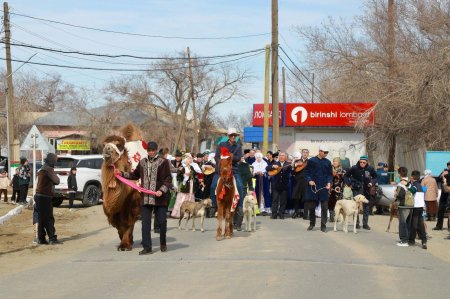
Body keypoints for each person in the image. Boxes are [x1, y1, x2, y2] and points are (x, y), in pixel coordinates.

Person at [118, 141, 172, 254]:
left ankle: (163, 243)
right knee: (145, 224)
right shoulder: (142, 162)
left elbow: (168, 179)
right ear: (147, 151)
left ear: (156, 150)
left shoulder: (164, 162)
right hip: (146, 198)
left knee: (162, 222)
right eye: (149, 150)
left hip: (160, 198)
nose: (151, 152)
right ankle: (147, 247)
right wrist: (121, 174)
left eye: (153, 150)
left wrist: (161, 191)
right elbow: (135, 174)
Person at [210, 128, 244, 230]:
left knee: (240, 186)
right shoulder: (221, 145)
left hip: (233, 169)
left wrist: (232, 157)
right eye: (231, 135)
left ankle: (239, 207)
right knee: (213, 186)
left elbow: (238, 157)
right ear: (228, 136)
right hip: (221, 169)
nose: (233, 137)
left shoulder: (238, 146)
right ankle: (214, 206)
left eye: (235, 135)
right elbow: (216, 157)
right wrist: (223, 160)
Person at [304, 146, 333, 232]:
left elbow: (329, 175)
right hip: (313, 187)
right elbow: (306, 172)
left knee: (324, 207)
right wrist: (309, 180)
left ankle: (323, 225)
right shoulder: (312, 160)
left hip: (323, 187)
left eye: (327, 152)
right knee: (312, 207)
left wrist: (329, 182)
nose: (326, 154)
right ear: (320, 151)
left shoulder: (328, 162)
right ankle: (312, 223)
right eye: (325, 152)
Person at [344, 156, 377, 230]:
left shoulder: (370, 168)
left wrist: (371, 183)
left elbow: (375, 177)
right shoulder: (354, 168)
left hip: (366, 189)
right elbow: (346, 175)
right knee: (356, 206)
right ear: (359, 161)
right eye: (361, 162)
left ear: (366, 162)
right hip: (356, 188)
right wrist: (349, 184)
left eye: (364, 162)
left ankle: (365, 224)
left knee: (367, 206)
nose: (362, 164)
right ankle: (357, 223)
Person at [34, 153, 61, 245]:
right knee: (48, 218)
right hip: (44, 197)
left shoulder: (43, 167)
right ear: (51, 160)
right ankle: (52, 238)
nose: (56, 161)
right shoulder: (48, 169)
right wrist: (55, 174)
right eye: (55, 160)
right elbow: (57, 181)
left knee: (42, 218)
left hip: (39, 196)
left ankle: (41, 238)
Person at [266, 152, 291, 219]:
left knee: (283, 200)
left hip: (284, 185)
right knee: (275, 200)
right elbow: (267, 168)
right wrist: (272, 166)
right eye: (280, 155)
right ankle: (274, 214)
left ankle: (281, 213)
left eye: (283, 155)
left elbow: (292, 172)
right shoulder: (275, 163)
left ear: (285, 157)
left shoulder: (289, 164)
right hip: (276, 185)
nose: (281, 157)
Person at [171, 153, 196, 218]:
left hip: (190, 185)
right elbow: (178, 177)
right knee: (182, 199)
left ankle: (188, 213)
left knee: (189, 199)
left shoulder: (191, 167)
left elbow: (194, 175)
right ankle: (179, 213)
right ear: (186, 159)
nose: (190, 160)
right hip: (184, 186)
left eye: (190, 159)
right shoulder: (182, 167)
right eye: (189, 158)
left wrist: (191, 176)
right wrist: (184, 176)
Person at [395, 167, 415, 247]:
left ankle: (404, 240)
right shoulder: (410, 183)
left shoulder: (400, 184)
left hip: (403, 205)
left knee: (402, 223)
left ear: (399, 174)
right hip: (411, 205)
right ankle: (408, 239)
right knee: (408, 223)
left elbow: (400, 195)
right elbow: (413, 191)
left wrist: (395, 193)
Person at [409, 170, 427, 249]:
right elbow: (424, 190)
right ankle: (424, 241)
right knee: (421, 224)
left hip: (415, 207)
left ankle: (411, 240)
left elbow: (411, 191)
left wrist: (409, 188)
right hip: (421, 207)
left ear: (412, 177)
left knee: (414, 224)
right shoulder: (420, 185)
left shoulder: (415, 185)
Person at [291, 150, 309, 219]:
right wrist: (294, 166)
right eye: (304, 152)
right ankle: (296, 212)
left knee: (306, 198)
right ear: (301, 153)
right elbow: (292, 173)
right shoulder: (297, 161)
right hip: (297, 181)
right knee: (296, 197)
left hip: (306, 182)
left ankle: (305, 213)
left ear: (308, 154)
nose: (305, 154)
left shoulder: (310, 162)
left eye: (306, 152)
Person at [433, 161, 450, 231]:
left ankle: (449, 227)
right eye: (448, 165)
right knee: (440, 210)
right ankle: (439, 226)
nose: (449, 166)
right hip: (444, 193)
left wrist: (448, 174)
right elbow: (437, 179)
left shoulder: (448, 173)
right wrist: (442, 174)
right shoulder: (444, 172)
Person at [328, 157, 344, 222]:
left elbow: (343, 178)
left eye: (336, 161)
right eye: (334, 161)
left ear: (339, 163)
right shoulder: (330, 169)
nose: (334, 162)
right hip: (330, 188)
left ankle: (336, 216)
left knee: (337, 202)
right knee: (330, 202)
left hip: (338, 189)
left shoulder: (342, 170)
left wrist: (338, 174)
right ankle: (331, 216)